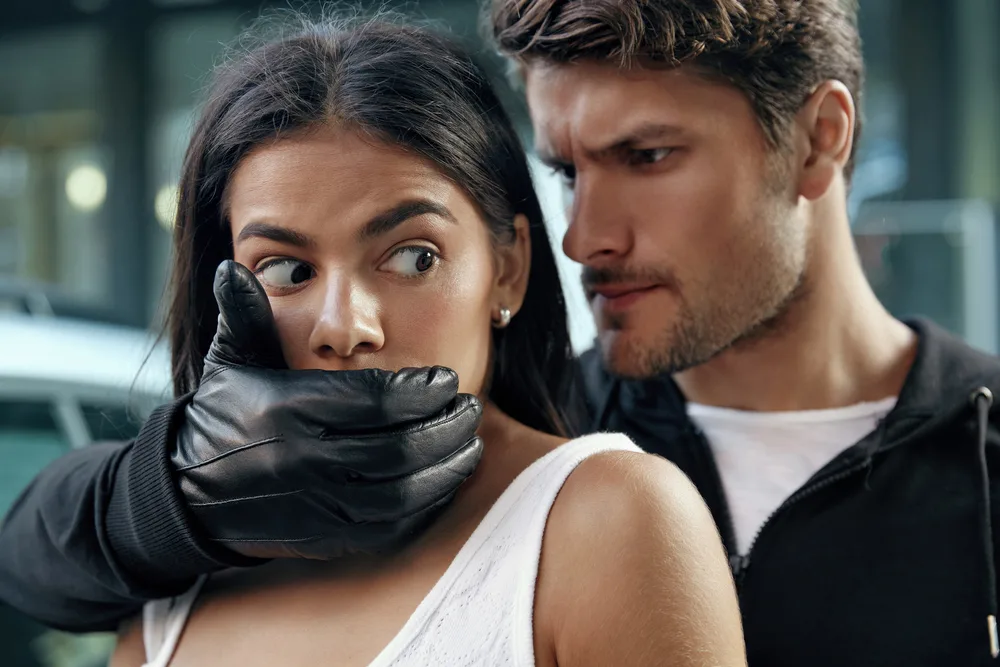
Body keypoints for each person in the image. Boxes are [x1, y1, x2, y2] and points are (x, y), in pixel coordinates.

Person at [1, 0, 998, 664]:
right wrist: (177, 488)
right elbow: (31, 552)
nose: (585, 234)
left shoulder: (597, 499)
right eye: (566, 171)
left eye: (645, 155)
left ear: (822, 138)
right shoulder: (517, 431)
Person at [98, 16, 741, 667]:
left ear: (508, 270)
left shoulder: (612, 524)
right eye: (288, 271)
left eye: (413, 257)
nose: (347, 327)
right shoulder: (176, 582)